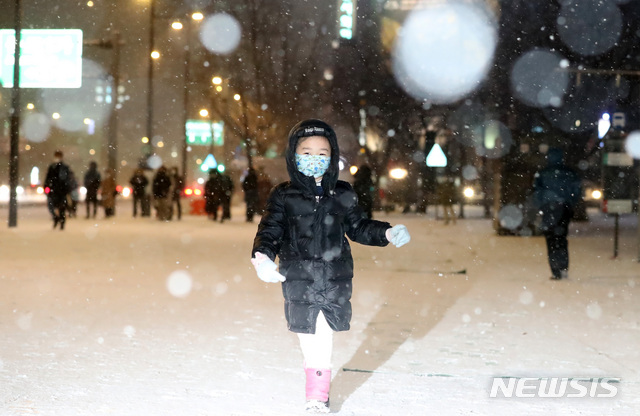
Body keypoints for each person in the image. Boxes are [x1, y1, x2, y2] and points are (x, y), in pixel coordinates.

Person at [250, 119, 411, 413]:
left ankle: (316, 399)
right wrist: (262, 257)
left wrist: (387, 232)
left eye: (322, 153)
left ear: (333, 157)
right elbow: (270, 231)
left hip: (335, 278)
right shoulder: (283, 196)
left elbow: (359, 227)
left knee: (322, 338)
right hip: (298, 279)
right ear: (294, 156)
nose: (315, 159)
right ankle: (317, 389)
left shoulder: (342, 193)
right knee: (308, 337)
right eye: (307, 152)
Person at [533, 148, 581, 280]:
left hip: (548, 208)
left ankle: (555, 270)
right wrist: (570, 203)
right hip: (564, 207)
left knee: (551, 239)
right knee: (561, 238)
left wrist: (540, 206)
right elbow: (576, 190)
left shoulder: (542, 173)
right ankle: (563, 266)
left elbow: (537, 192)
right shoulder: (569, 173)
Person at [44, 150, 72, 230]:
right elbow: (48, 178)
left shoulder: (64, 167)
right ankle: (56, 218)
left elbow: (67, 179)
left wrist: (67, 189)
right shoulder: (52, 167)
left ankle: (62, 222)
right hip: (54, 190)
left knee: (61, 207)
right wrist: (46, 187)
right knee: (52, 206)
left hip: (61, 190)